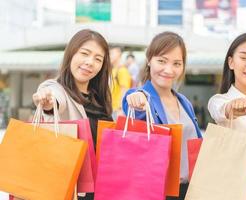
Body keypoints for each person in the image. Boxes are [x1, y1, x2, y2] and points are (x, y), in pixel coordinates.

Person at [32, 29, 113, 200]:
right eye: (84, 53)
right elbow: (53, 98)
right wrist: (47, 101)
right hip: (70, 189)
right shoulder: (56, 88)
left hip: (102, 190)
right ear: (71, 54)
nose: (90, 62)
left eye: (98, 59)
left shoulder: (99, 98)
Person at [122, 31, 202, 200]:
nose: (169, 70)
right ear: (149, 60)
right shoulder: (142, 96)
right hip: (157, 191)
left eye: (176, 63)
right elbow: (131, 101)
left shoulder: (184, 102)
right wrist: (137, 100)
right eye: (162, 61)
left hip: (190, 190)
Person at [110, 46, 131, 119]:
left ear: (119, 53)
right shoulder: (113, 70)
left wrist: (121, 109)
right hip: (112, 108)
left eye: (112, 53)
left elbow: (124, 90)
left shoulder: (122, 70)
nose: (109, 56)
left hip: (118, 110)